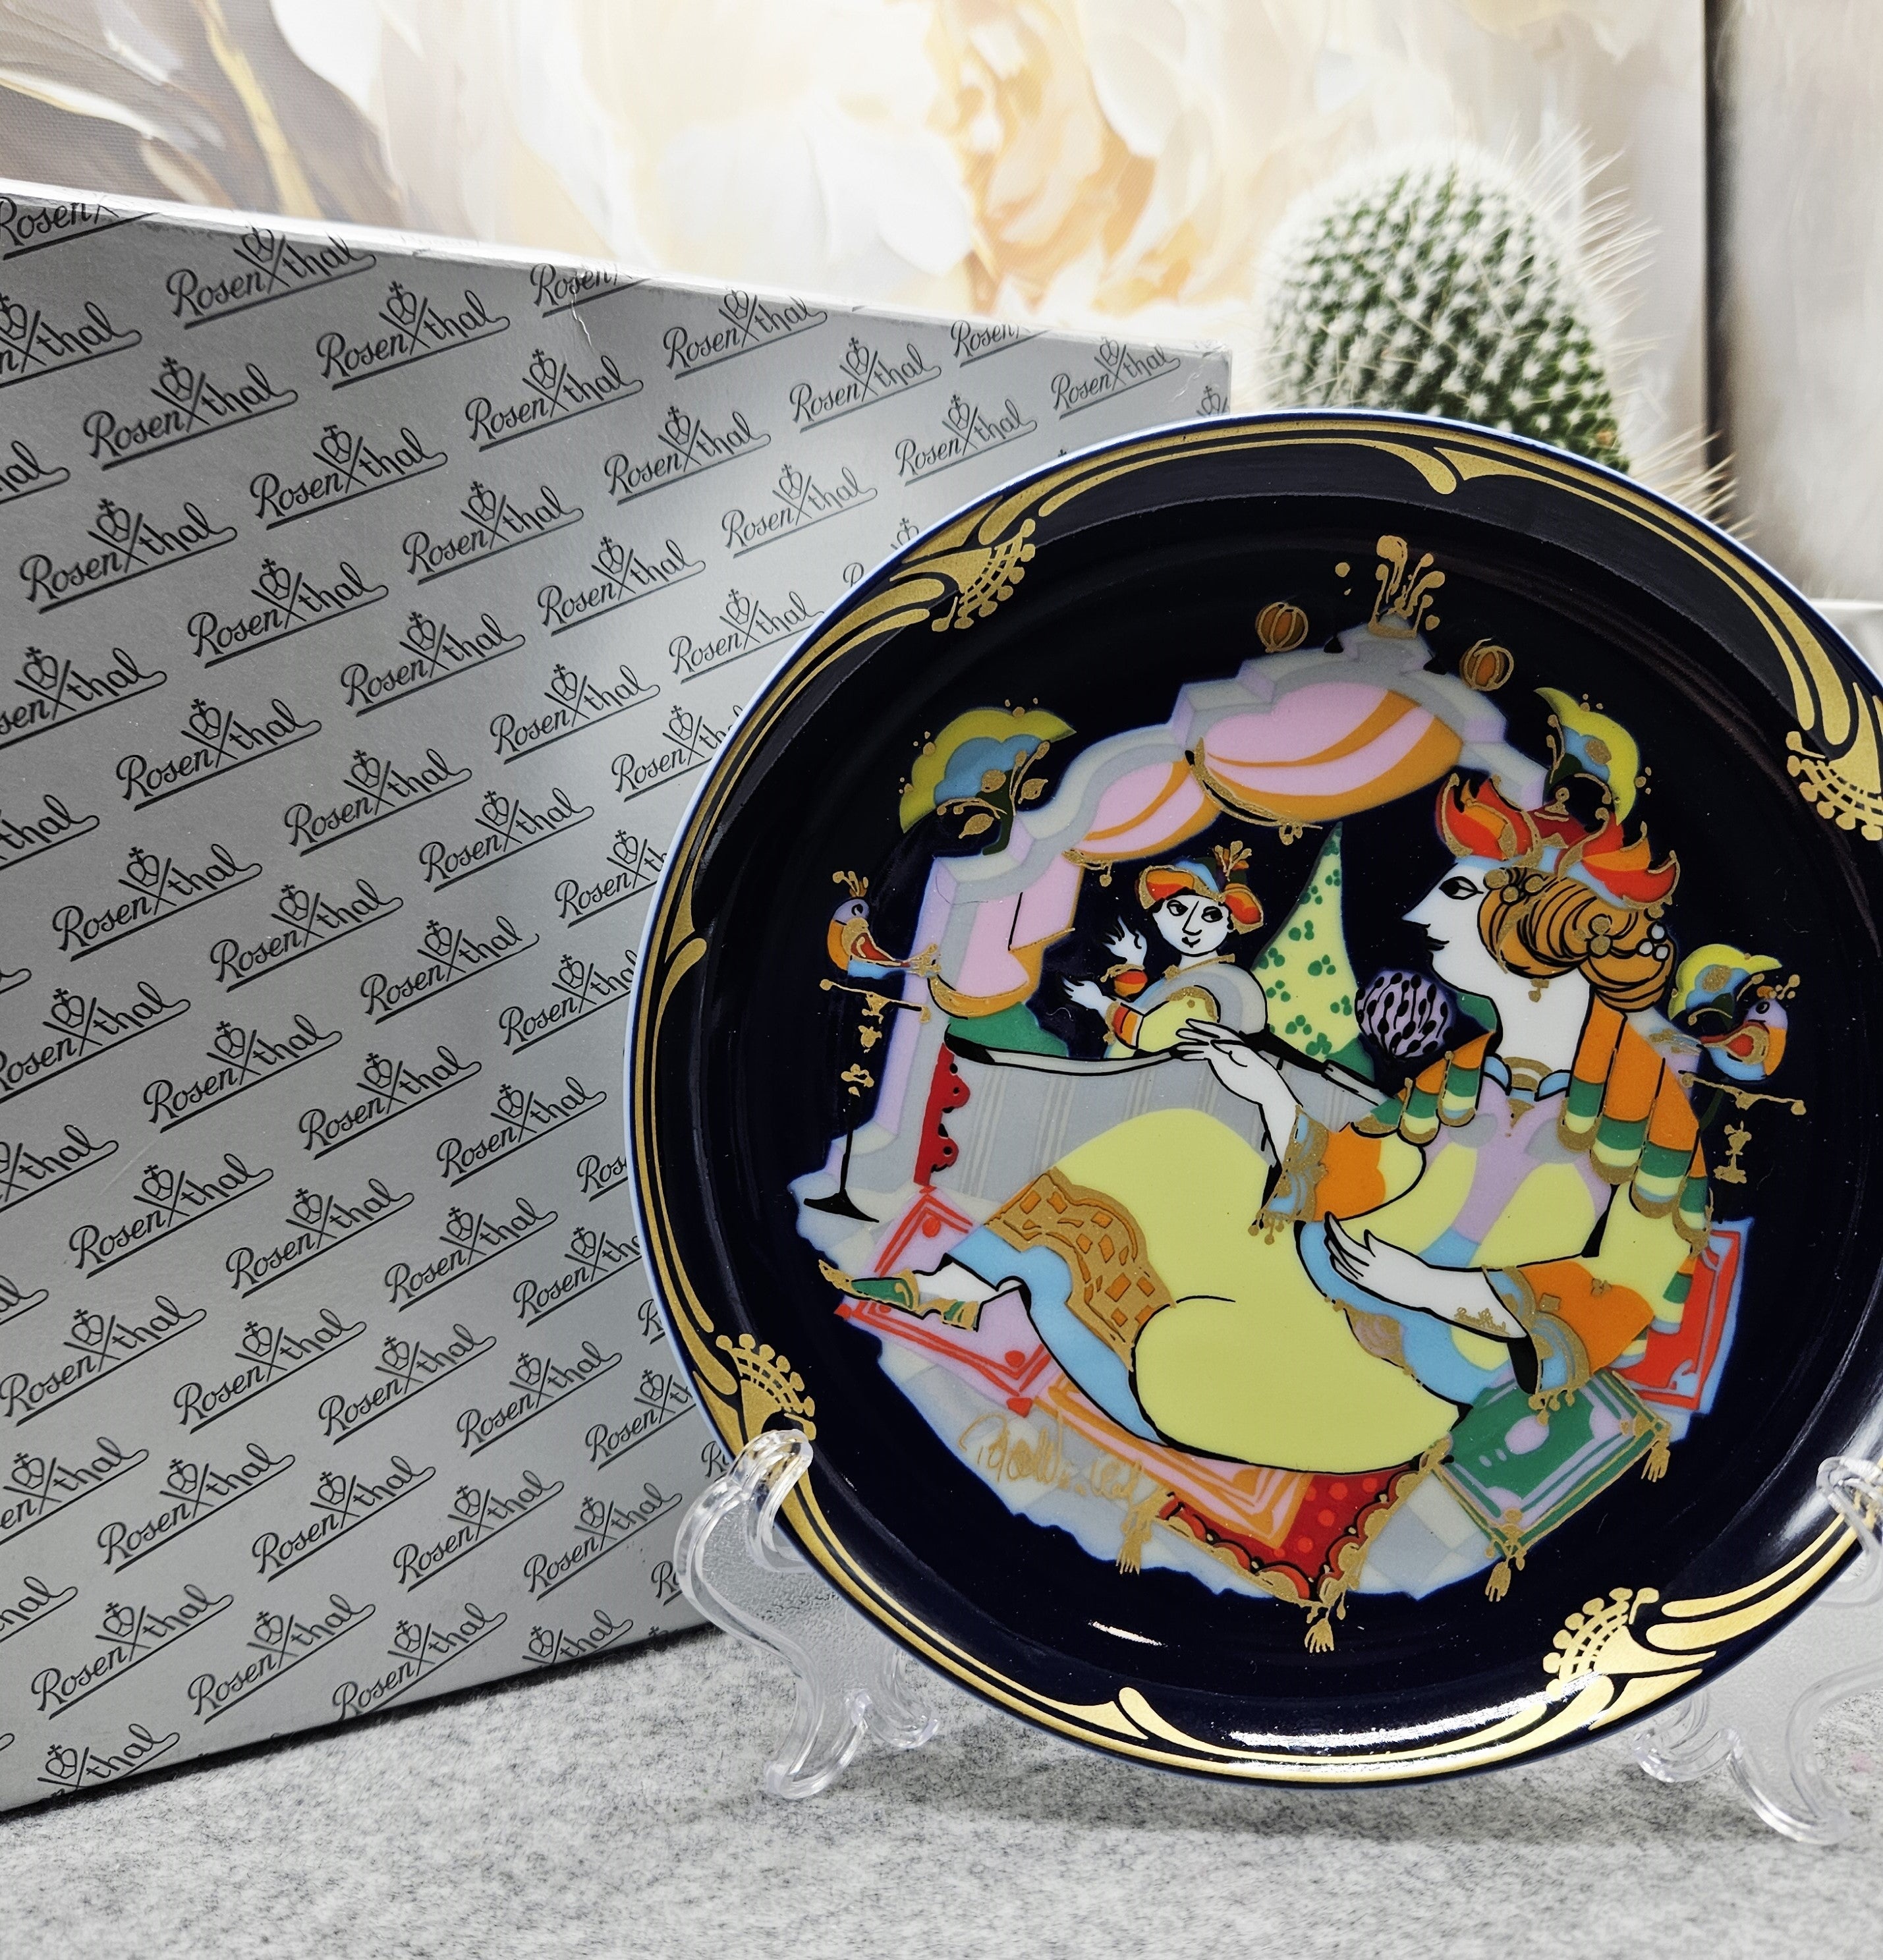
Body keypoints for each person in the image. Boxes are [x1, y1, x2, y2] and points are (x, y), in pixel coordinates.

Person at [828, 773, 1710, 1476]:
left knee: (1176, 1362)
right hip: (1306, 1275)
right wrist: (1271, 1095)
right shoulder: (1468, 1068)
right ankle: (961, 1286)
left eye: (1454, 891)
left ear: (1541, 922)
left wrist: (1427, 1287)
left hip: (1390, 1381)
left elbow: (1619, 1295)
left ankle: (1136, 1323)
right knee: (1182, 1141)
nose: (1419, 915)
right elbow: (1363, 1168)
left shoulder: (1651, 1120)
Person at [1063, 840, 1268, 1054]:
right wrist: (1133, 963)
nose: (1191, 927)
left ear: (1230, 924)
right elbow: (1150, 1006)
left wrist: (1098, 1002)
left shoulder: (1214, 984)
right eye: (1178, 910)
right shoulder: (1192, 974)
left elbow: (1148, 1035)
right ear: (1156, 912)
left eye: (1211, 916)